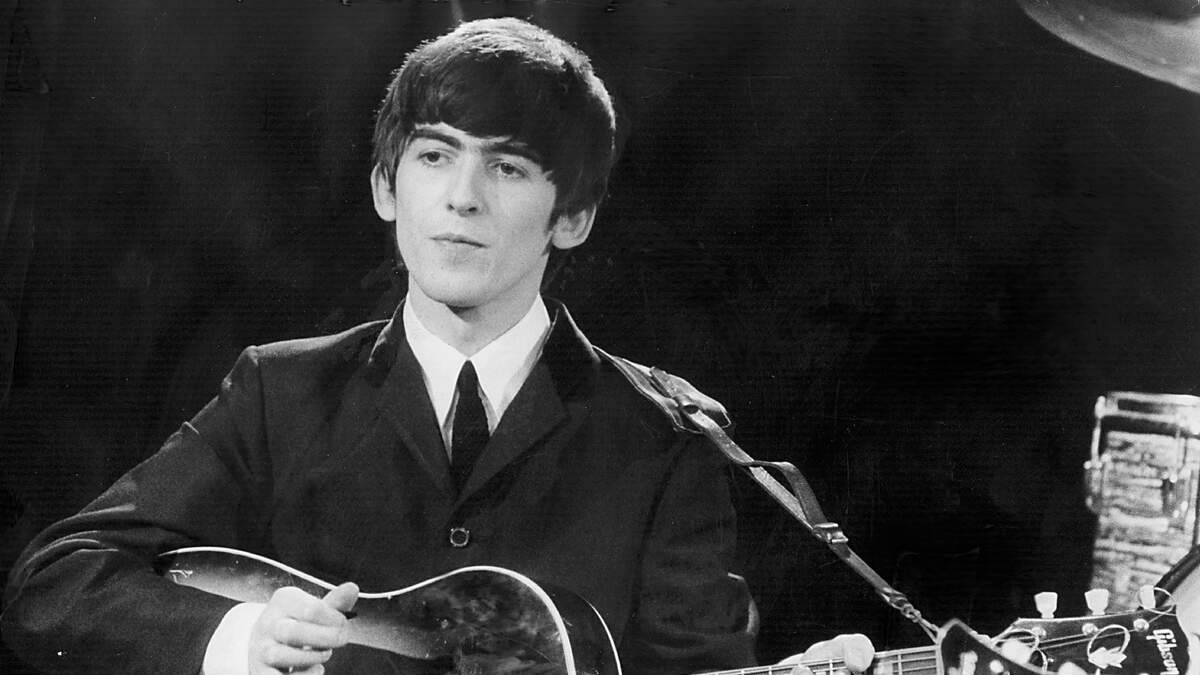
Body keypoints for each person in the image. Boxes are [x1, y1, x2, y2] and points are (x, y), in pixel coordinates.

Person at [1, 17, 873, 675]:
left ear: (572, 216)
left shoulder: (671, 436)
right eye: (433, 156)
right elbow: (53, 583)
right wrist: (242, 637)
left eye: (507, 166)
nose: (462, 197)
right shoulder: (278, 390)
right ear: (387, 188)